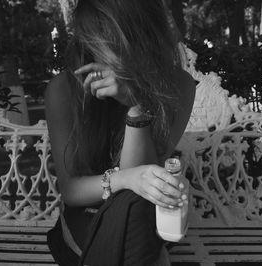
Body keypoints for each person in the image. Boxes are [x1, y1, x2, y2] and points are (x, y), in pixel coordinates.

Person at [45, 0, 196, 265]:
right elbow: (71, 191)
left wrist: (136, 105)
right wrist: (127, 178)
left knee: (139, 209)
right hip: (86, 218)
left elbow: (146, 184)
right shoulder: (64, 90)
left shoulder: (178, 85)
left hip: (144, 217)